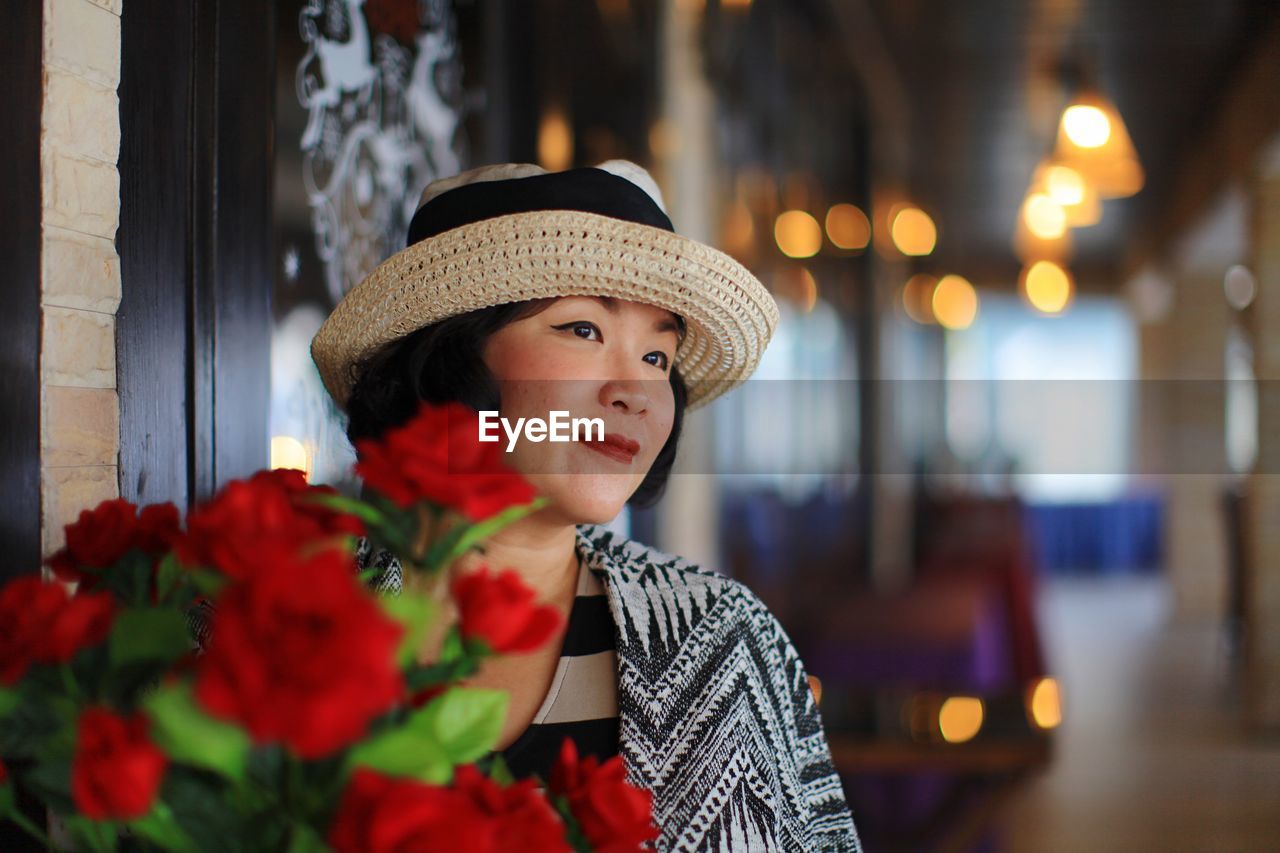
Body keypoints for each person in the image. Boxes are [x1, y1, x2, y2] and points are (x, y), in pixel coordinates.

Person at [309, 160, 862, 851]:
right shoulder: (279, 616)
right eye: (582, 330)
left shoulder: (724, 640)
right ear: (453, 361)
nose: (637, 390)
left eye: (658, 357)